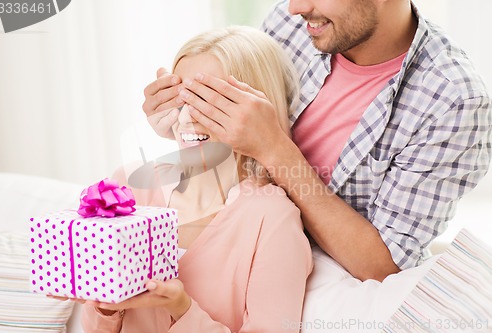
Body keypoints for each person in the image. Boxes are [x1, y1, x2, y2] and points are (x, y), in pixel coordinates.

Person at [142, 0, 492, 282]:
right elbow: (236, 157)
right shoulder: (295, 22)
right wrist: (186, 122)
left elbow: (384, 266)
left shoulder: (452, 100)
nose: (294, 7)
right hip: (247, 254)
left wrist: (275, 148)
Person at [81, 26, 313, 332]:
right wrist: (103, 305)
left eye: (208, 101)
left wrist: (181, 308)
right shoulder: (128, 185)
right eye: (180, 98)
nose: (187, 117)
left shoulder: (272, 219)